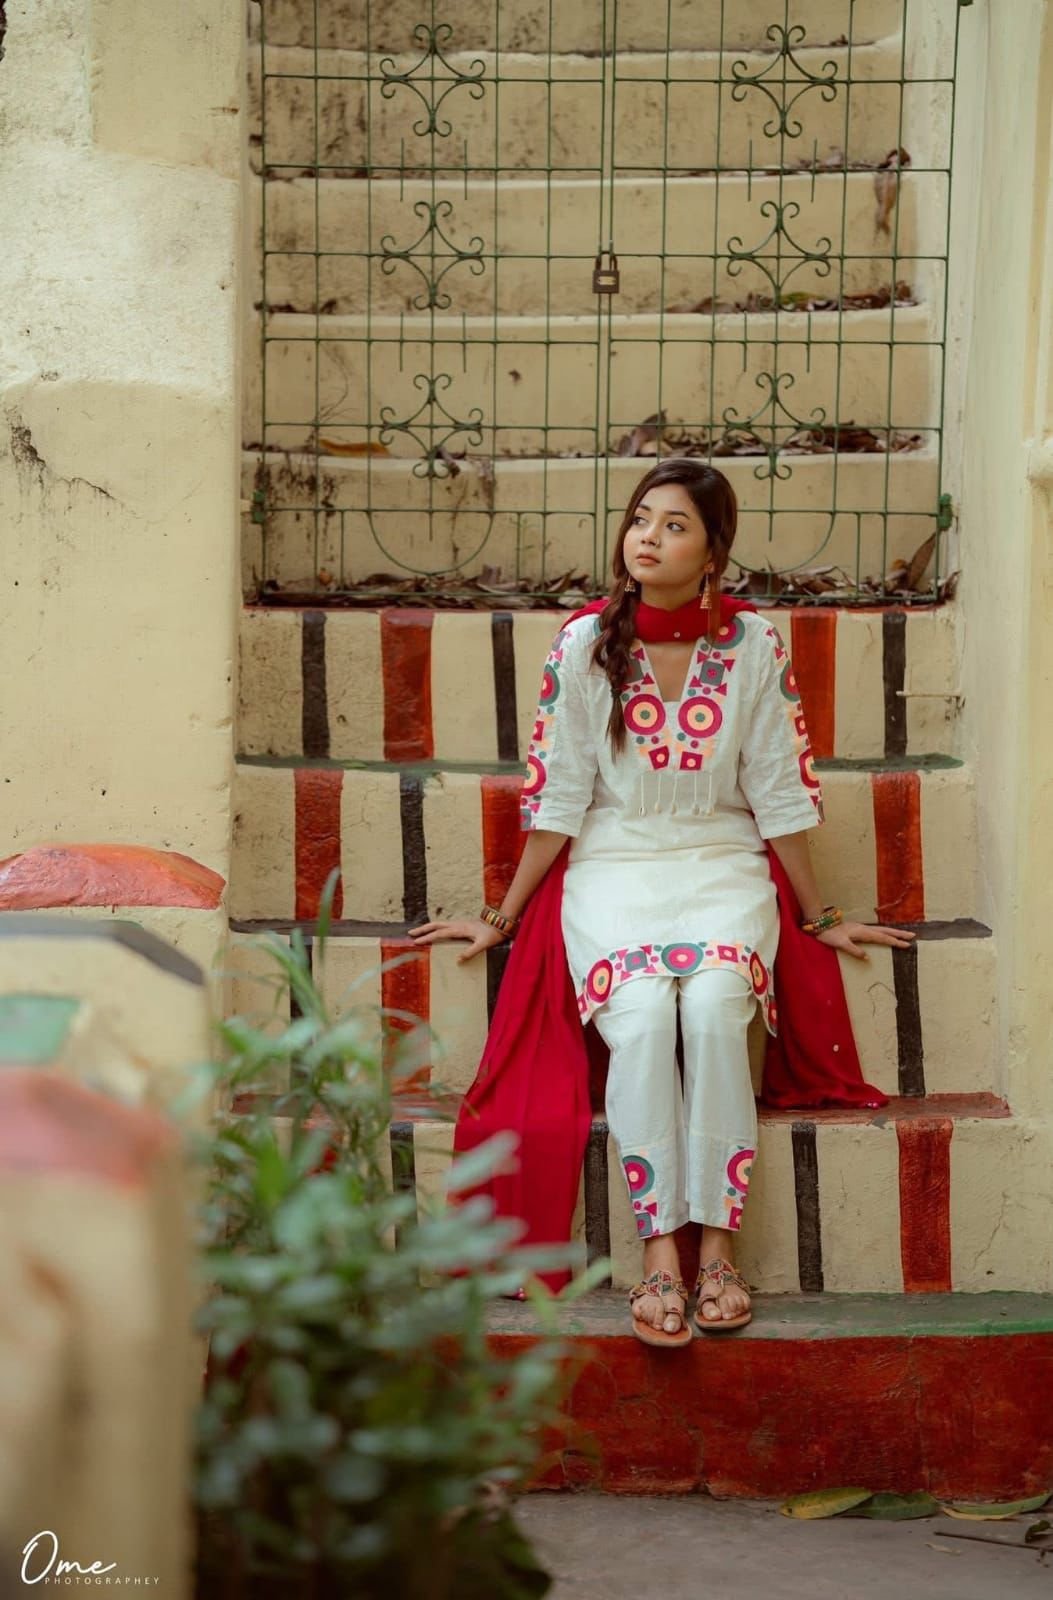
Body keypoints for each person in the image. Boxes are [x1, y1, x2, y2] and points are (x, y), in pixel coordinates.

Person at [409, 460, 916, 1347]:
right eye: (640, 519)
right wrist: (501, 915)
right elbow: (559, 796)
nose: (646, 537)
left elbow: (777, 789)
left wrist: (820, 916)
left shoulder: (752, 646)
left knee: (716, 1009)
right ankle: (658, 1254)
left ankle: (716, 1246)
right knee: (642, 1018)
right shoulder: (583, 643)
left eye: (673, 525)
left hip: (721, 865)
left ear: (713, 553)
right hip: (613, 867)